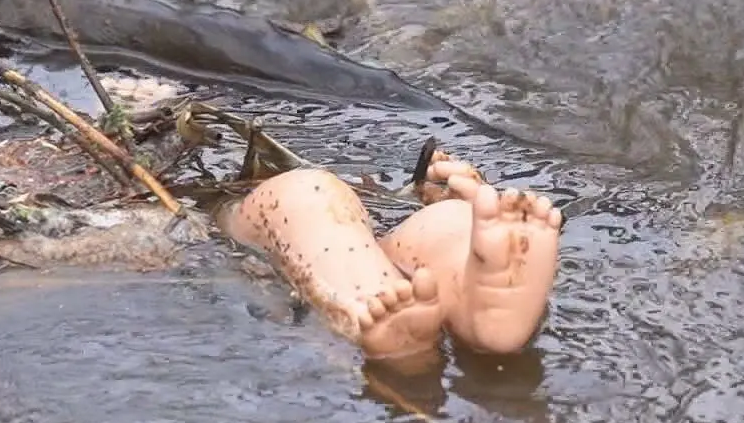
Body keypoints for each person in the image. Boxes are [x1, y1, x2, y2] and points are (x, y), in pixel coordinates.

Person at [218, 149, 562, 367]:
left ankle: (469, 288)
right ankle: (387, 303)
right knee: (305, 195)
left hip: (376, 224)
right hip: (253, 203)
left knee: (446, 218)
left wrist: (445, 195)